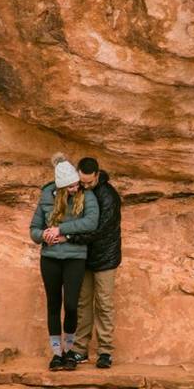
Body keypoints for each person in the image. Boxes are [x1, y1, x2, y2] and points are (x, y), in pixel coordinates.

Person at [29, 154, 99, 371]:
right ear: (61, 186)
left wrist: (62, 230)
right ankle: (57, 354)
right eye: (71, 185)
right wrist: (44, 235)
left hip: (75, 258)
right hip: (50, 258)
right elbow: (33, 229)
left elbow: (91, 222)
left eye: (77, 184)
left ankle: (70, 351)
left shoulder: (87, 197)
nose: (76, 187)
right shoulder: (46, 196)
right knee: (53, 305)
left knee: (70, 305)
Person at [66, 157, 122, 369]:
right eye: (83, 181)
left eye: (90, 182)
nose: (86, 185)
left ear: (97, 175)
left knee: (104, 304)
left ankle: (105, 352)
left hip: (105, 257)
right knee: (82, 303)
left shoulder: (109, 196)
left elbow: (98, 230)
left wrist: (70, 237)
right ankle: (80, 349)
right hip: (83, 256)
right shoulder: (78, 189)